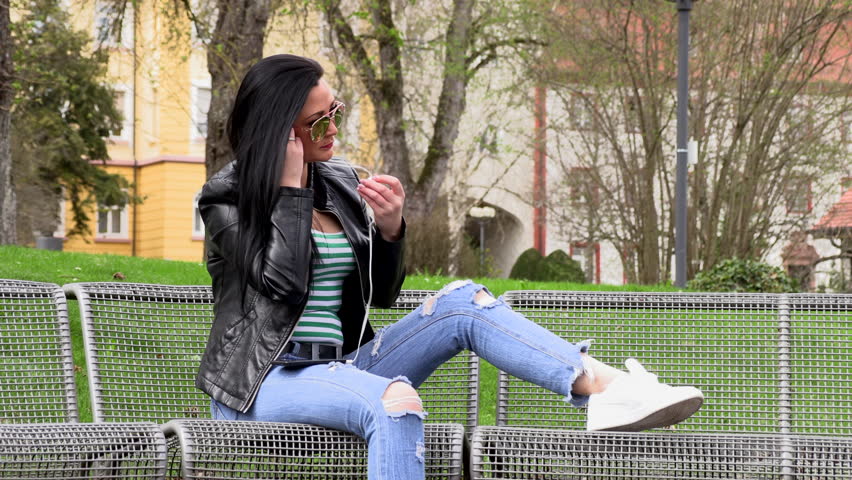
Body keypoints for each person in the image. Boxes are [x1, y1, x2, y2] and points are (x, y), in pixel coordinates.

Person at [196, 54, 704, 480]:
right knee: (395, 401)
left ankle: (607, 389)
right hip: (263, 384)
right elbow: (281, 285)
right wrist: (290, 194)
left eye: (337, 113)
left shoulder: (339, 186)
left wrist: (390, 229)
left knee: (463, 300)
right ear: (279, 129)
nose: (334, 130)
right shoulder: (227, 199)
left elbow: (383, 294)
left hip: (342, 370)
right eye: (319, 122)